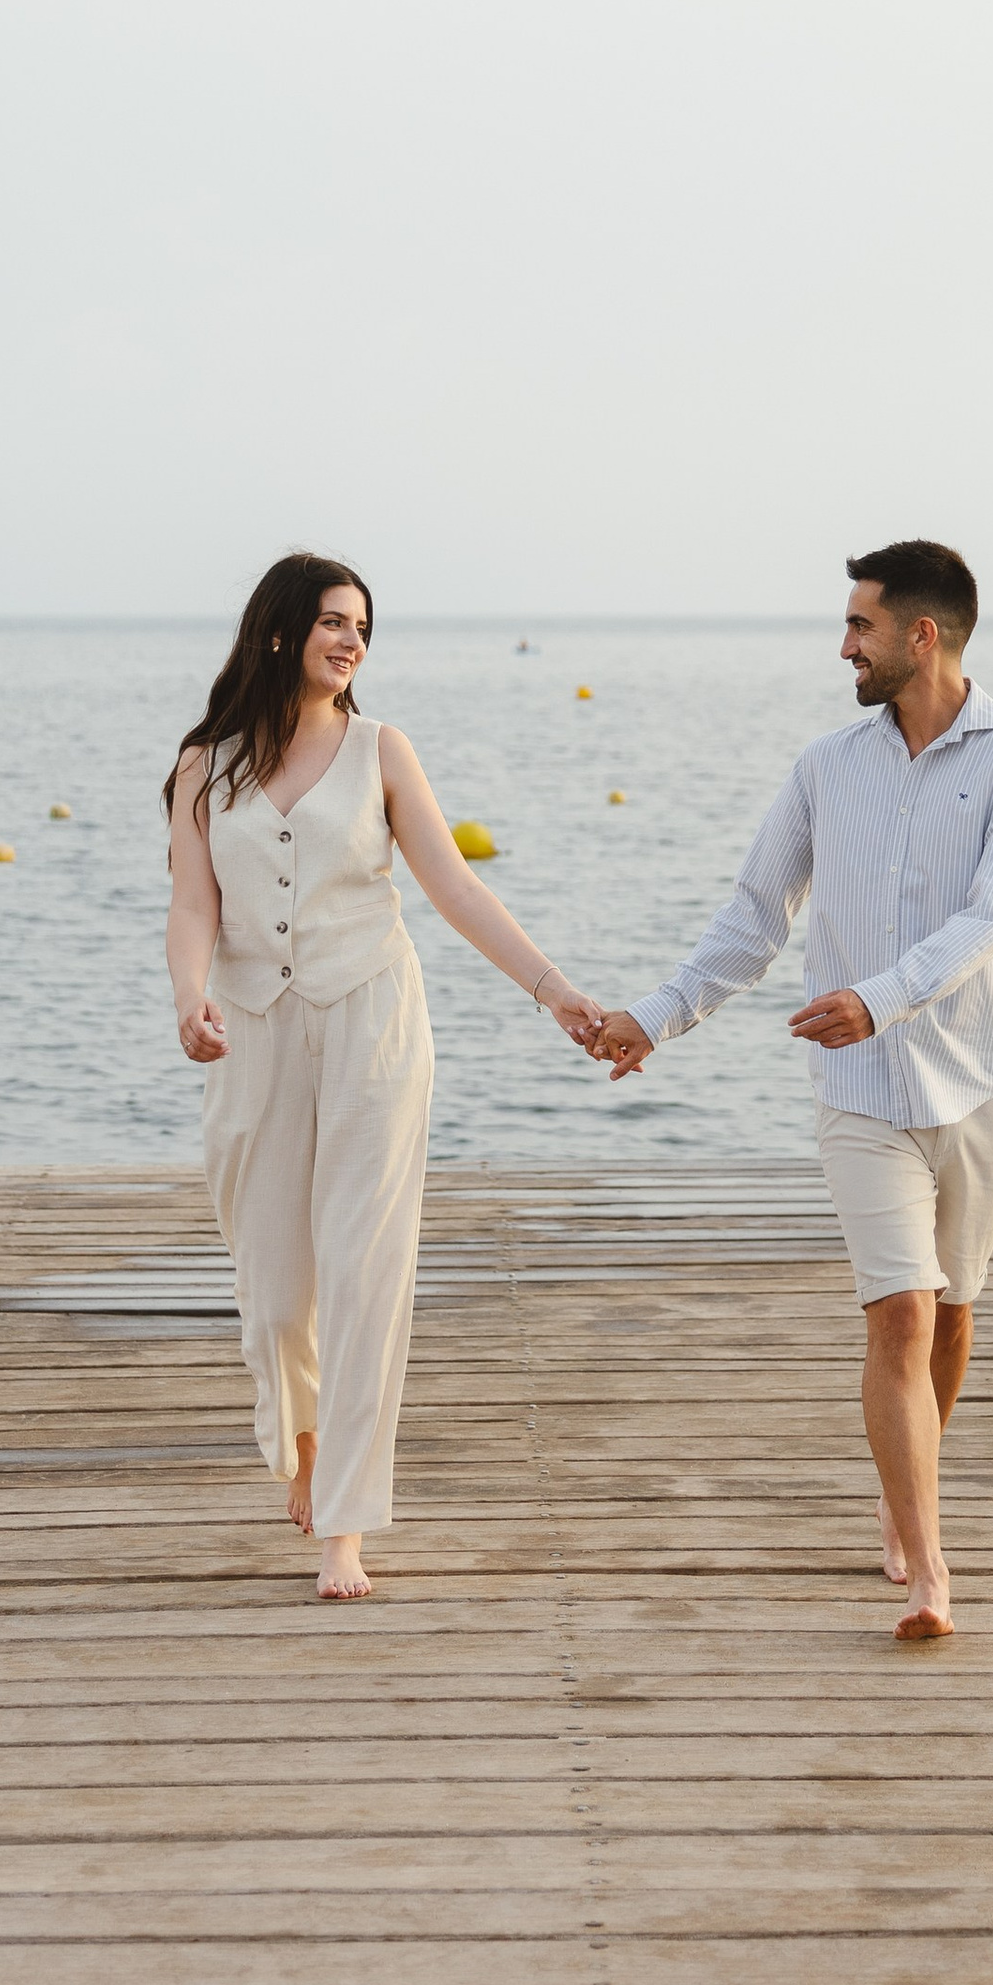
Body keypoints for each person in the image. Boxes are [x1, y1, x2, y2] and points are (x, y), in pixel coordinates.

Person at [592, 541, 993, 1643]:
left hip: (984, 1079)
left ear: (922, 637)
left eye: (859, 626)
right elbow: (757, 914)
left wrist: (880, 994)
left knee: (950, 1314)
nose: (842, 644)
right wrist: (654, 1018)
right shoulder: (824, 767)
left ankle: (909, 1498)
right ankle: (927, 1565)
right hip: (857, 1081)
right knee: (897, 1311)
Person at [166, 552, 603, 1599]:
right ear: (278, 630)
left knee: (364, 1273)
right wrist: (190, 999)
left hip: (372, 1023)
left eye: (360, 624)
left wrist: (555, 993)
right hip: (255, 1033)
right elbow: (192, 907)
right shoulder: (203, 764)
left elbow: (452, 889)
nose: (350, 639)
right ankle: (305, 1445)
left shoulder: (381, 751)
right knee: (274, 1292)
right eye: (329, 620)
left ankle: (346, 1528)